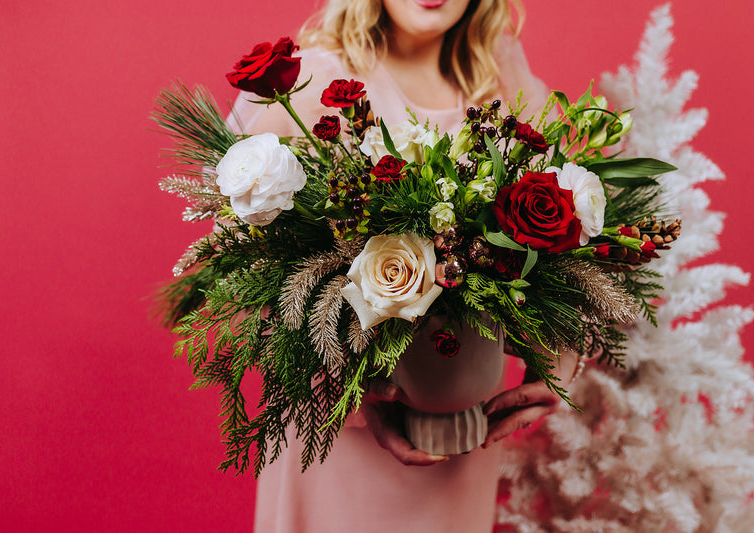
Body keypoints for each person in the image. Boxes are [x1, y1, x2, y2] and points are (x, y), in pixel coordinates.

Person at [228, 0, 581, 530]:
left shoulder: (502, 84)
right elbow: (236, 282)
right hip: (336, 450)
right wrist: (350, 394)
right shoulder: (312, 82)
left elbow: (580, 249)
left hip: (464, 439)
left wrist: (557, 360)